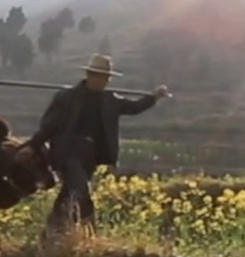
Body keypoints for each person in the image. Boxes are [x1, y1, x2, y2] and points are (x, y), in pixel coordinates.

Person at [26, 53, 170, 239]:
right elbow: (49, 126)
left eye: (105, 77)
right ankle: (90, 233)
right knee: (81, 189)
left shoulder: (110, 101)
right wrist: (32, 145)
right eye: (99, 76)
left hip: (90, 156)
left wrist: (153, 97)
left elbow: (134, 108)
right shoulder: (67, 97)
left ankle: (50, 234)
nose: (103, 81)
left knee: (69, 193)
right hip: (68, 151)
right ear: (89, 75)